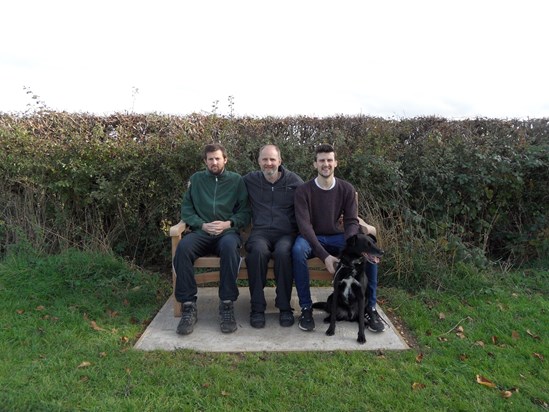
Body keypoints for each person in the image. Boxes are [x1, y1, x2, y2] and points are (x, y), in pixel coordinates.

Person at [292, 143, 385, 333]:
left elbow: (351, 221)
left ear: (336, 163)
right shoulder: (303, 191)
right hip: (312, 238)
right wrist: (325, 256)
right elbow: (304, 227)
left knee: (368, 250)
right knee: (297, 250)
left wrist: (353, 243)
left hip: (338, 237)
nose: (325, 164)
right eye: (321, 161)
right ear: (315, 164)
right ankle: (306, 308)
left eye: (329, 160)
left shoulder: (346, 189)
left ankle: (370, 308)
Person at [173, 143, 251, 335]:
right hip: (201, 232)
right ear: (205, 161)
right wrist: (202, 225)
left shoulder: (236, 180)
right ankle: (189, 306)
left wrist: (229, 223)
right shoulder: (196, 180)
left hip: (227, 234)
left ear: (225, 159)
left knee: (230, 249)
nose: (214, 162)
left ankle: (226, 304)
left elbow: (245, 211)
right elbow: (187, 210)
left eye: (217, 158)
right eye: (210, 159)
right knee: (182, 249)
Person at [243, 145, 304, 328]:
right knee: (257, 252)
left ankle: (285, 307)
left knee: (284, 253)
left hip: (286, 233)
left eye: (272, 159)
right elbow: (227, 189)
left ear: (280, 161)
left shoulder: (294, 181)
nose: (268, 163)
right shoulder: (249, 180)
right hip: (260, 232)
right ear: (259, 161)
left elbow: (311, 202)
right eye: (264, 159)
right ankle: (257, 308)